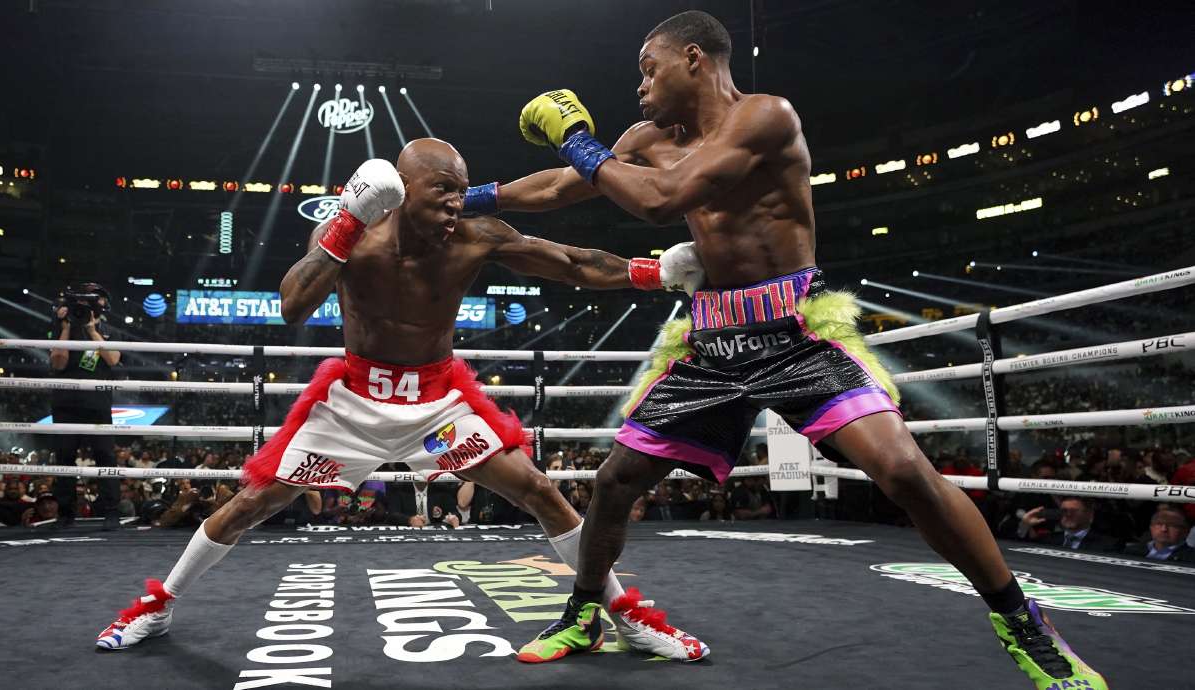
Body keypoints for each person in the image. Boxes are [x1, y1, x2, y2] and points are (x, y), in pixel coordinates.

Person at [465, 10, 1105, 687]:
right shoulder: (647, 138)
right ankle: (586, 611)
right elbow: (567, 184)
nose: (640, 88)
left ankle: (1022, 621)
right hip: (712, 338)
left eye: (648, 70)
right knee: (615, 481)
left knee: (904, 472)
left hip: (798, 331)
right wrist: (468, 199)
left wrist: (575, 136)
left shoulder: (766, 117)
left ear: (694, 59)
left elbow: (665, 201)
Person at [95, 139, 708, 662]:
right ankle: (159, 603)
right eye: (441, 188)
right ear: (400, 186)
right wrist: (346, 222)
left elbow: (570, 262)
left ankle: (625, 614)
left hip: (438, 407)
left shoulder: (474, 234)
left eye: (460, 189)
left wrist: (655, 273)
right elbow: (291, 304)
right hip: (355, 404)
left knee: (538, 489)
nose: (454, 202)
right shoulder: (353, 237)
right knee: (254, 502)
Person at [49, 282, 121, 529]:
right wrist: (67, 327)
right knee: (65, 458)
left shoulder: (108, 330)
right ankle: (65, 514)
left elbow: (112, 359)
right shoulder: (62, 326)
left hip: (97, 403)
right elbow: (58, 363)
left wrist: (91, 330)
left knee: (105, 457)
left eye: (96, 299)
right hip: (66, 402)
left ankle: (112, 513)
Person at [1016, 496, 1122, 553]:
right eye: (1064, 510)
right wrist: (1025, 525)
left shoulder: (1108, 545)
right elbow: (1020, 550)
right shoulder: (1049, 540)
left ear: (1090, 514)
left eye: (1074, 511)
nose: (1068, 514)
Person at [1122, 507, 1195, 562]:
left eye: (1172, 525)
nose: (1164, 529)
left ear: (1186, 531)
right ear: (1151, 528)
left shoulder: (1191, 558)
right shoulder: (1131, 551)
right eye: (1159, 524)